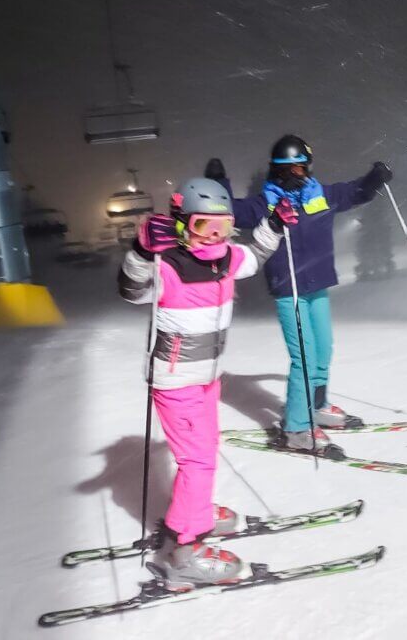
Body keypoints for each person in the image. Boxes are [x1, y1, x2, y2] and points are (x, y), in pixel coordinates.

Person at [118, 176, 297, 589]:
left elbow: (254, 256)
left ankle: (192, 510)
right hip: (176, 380)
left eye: (223, 227)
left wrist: (273, 223)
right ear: (182, 224)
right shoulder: (168, 265)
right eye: (203, 226)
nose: (214, 237)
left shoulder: (227, 257)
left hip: (207, 377)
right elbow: (131, 289)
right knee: (197, 460)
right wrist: (143, 251)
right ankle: (185, 551)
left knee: (206, 450)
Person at [205, 135, 392, 456]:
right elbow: (228, 211)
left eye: (300, 168)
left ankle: (316, 406)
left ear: (308, 168)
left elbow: (355, 192)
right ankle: (296, 428)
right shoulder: (264, 204)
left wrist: (374, 179)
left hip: (317, 284)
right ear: (275, 170)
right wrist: (218, 184)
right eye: (286, 169)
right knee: (303, 359)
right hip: (288, 290)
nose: (294, 174)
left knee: (322, 350)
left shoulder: (321, 196)